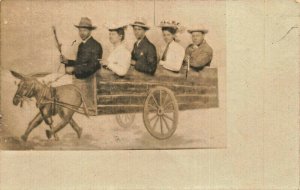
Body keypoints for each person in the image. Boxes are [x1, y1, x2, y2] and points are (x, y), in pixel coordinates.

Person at [60, 17, 103, 112]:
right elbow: (81, 63)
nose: (81, 33)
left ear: (90, 31)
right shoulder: (81, 45)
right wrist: (68, 61)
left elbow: (92, 67)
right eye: (80, 30)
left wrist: (74, 69)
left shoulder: (96, 45)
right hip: (80, 79)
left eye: (84, 30)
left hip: (88, 81)